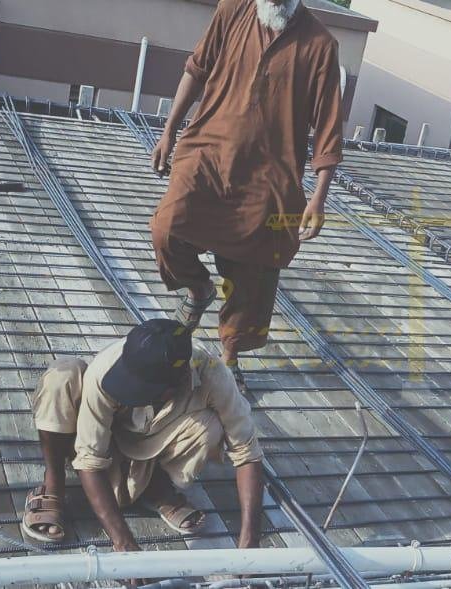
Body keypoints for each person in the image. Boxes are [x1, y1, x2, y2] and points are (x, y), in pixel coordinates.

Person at [150, 0, 346, 387]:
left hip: (269, 173)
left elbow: (328, 126)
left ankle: (230, 355)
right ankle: (199, 288)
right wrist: (169, 130)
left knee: (255, 268)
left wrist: (318, 198)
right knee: (166, 229)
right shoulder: (233, 9)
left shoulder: (320, 44)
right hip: (207, 152)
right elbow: (196, 68)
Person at [23, 319, 265, 551]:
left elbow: (247, 454)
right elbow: (89, 458)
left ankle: (156, 485)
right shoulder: (105, 369)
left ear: (180, 380)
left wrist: (250, 542)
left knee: (209, 426)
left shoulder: (213, 374)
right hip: (102, 438)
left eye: (142, 388)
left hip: (147, 443)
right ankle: (53, 483)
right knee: (62, 376)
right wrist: (123, 541)